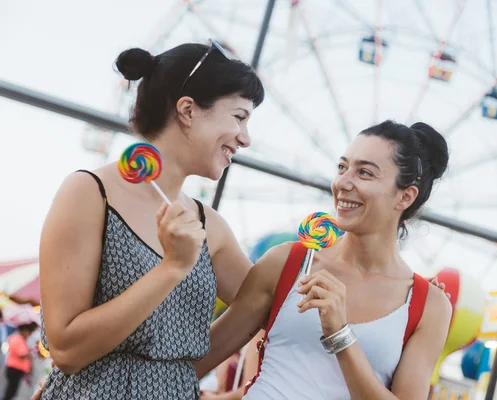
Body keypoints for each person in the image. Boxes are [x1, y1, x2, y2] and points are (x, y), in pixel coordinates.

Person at [36, 39, 265, 399]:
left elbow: (263, 301)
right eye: (239, 116)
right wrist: (171, 267)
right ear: (187, 110)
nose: (246, 138)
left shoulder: (211, 226)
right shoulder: (90, 193)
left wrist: (181, 373)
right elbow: (66, 351)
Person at [194, 120, 453, 399]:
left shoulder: (428, 306)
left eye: (364, 173)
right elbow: (197, 362)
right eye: (342, 167)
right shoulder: (288, 263)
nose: (342, 182)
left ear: (405, 196)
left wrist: (340, 335)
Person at [3, 322, 38, 400]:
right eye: (29, 332)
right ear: (24, 330)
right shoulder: (17, 339)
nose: (29, 334)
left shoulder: (20, 339)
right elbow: (22, 355)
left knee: (13, 390)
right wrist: (31, 351)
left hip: (17, 369)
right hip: (14, 368)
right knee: (11, 390)